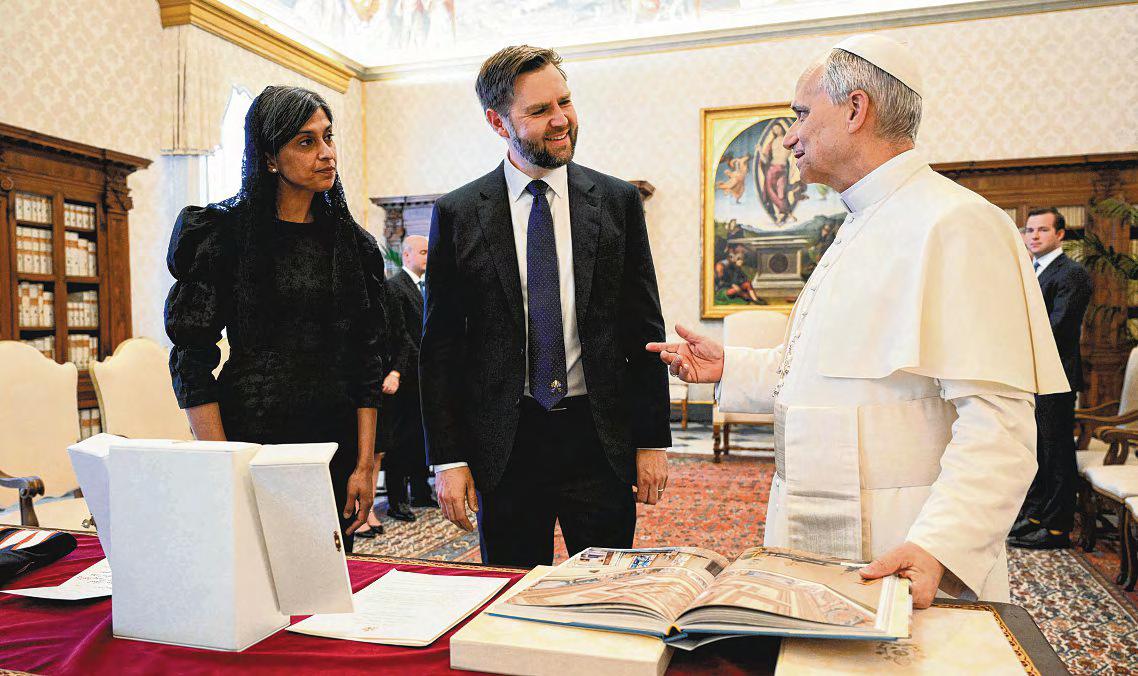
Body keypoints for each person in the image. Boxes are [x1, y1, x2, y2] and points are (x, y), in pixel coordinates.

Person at [647, 34, 1068, 607]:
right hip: (815, 531)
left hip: (904, 539)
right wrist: (731, 365)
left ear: (855, 109)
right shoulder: (858, 221)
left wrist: (939, 545)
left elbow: (1000, 423)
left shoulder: (957, 222)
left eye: (800, 114)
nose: (790, 136)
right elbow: (829, 376)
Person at [420, 45, 671, 567]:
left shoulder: (618, 202)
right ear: (497, 122)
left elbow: (643, 328)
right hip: (506, 445)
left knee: (605, 593)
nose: (561, 121)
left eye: (565, 102)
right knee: (511, 603)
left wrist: (652, 442)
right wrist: (449, 458)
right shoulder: (459, 213)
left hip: (597, 439)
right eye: (539, 111)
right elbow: (441, 347)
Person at [165, 85, 388, 553]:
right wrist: (223, 462)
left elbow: (366, 361)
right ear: (269, 158)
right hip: (251, 439)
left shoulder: (354, 246)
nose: (326, 154)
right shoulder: (222, 236)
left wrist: (365, 465)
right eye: (306, 142)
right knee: (249, 583)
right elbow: (191, 357)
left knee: (322, 583)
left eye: (328, 137)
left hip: (333, 442)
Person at [1009, 207, 1092, 549]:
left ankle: (1058, 529)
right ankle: (1037, 516)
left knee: (1057, 453)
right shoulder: (1032, 271)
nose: (1034, 236)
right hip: (1033, 376)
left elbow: (1058, 328)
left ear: (1060, 234)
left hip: (1056, 377)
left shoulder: (1071, 273)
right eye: (1029, 230)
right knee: (1039, 451)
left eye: (1042, 230)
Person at [380, 234, 437, 522]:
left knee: (418, 437)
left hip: (423, 377)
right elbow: (398, 335)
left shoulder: (426, 286)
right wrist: (412, 365)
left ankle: (421, 492)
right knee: (399, 441)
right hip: (404, 374)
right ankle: (397, 500)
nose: (428, 257)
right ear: (406, 255)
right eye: (423, 252)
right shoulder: (394, 287)